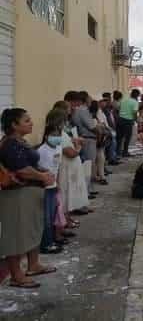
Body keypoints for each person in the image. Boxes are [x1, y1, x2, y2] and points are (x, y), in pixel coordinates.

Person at [0, 108, 57, 289]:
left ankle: (33, 265)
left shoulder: (21, 142)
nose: (31, 123)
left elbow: (31, 163)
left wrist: (43, 172)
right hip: (17, 195)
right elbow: (22, 169)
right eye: (26, 120)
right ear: (14, 125)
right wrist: (42, 176)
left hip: (30, 193)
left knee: (33, 229)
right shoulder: (9, 144)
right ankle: (16, 275)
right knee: (16, 234)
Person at [37, 110, 67, 254]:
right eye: (53, 135)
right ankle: (46, 244)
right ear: (46, 136)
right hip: (45, 188)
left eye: (58, 135)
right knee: (46, 218)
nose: (56, 138)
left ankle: (54, 239)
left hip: (54, 187)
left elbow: (58, 167)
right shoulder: (42, 151)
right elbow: (39, 170)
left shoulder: (59, 148)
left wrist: (58, 185)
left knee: (55, 215)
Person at [53, 101, 88, 220]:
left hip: (69, 167)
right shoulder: (57, 135)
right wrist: (78, 146)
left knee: (69, 194)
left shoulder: (59, 133)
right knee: (65, 195)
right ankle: (63, 221)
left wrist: (73, 140)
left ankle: (66, 219)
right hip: (66, 167)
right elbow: (70, 153)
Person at [72, 91, 99, 200]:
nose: (91, 99)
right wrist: (100, 132)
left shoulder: (81, 110)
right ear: (85, 99)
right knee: (88, 165)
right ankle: (86, 191)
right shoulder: (83, 111)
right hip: (87, 138)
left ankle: (88, 189)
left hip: (86, 138)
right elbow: (91, 126)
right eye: (89, 98)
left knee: (89, 164)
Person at [89, 99, 109, 186]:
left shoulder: (91, 115)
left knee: (95, 159)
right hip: (97, 139)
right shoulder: (95, 116)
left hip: (96, 139)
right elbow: (102, 125)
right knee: (100, 157)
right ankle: (101, 176)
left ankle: (96, 175)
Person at [117, 89, 140, 158]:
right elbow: (135, 112)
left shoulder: (123, 100)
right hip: (128, 121)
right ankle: (125, 152)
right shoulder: (135, 102)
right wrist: (135, 120)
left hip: (120, 120)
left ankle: (118, 152)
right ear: (137, 96)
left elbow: (118, 108)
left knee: (119, 137)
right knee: (127, 137)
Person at [101, 93, 119, 166]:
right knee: (112, 144)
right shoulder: (104, 110)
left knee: (113, 144)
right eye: (106, 100)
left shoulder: (109, 108)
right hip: (108, 129)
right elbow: (105, 121)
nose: (109, 101)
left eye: (109, 99)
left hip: (111, 128)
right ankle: (111, 159)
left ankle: (112, 157)